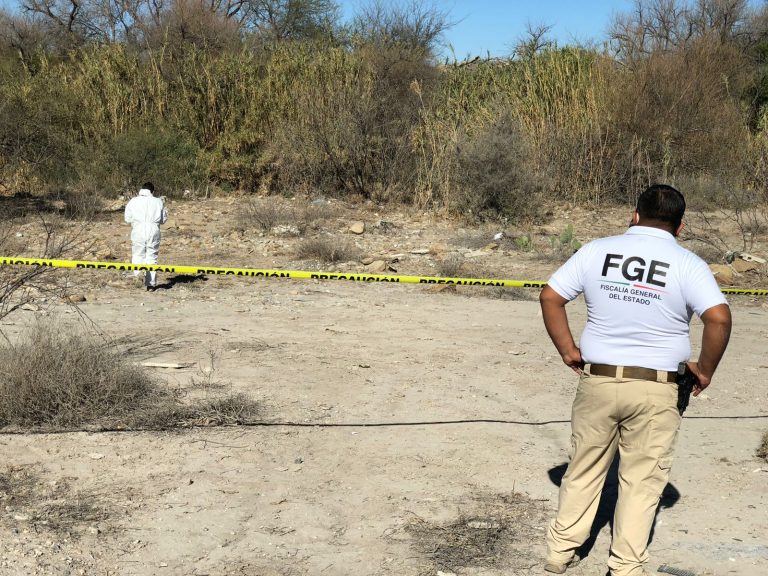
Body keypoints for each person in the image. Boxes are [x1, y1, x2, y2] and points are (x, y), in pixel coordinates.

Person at [539, 184, 732, 576]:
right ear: (680, 228)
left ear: (634, 215)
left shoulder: (596, 250)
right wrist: (705, 370)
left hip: (597, 380)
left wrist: (567, 349)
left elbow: (550, 296)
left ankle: (560, 552)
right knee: (642, 481)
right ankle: (625, 566)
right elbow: (719, 318)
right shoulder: (687, 263)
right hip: (657, 388)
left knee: (583, 468)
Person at [124, 182, 168, 291]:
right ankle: (150, 284)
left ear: (141, 189)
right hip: (153, 229)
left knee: (138, 254)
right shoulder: (158, 201)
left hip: (138, 229)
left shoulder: (133, 201)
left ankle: (138, 275)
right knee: (152, 257)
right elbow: (163, 220)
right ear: (152, 191)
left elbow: (127, 219)